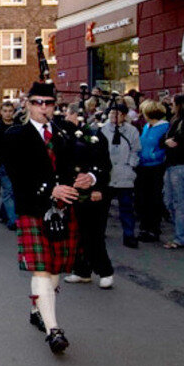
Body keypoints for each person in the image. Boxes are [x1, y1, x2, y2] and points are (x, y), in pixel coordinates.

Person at [4, 81, 93, 354]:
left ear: (55, 105)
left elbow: (95, 158)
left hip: (64, 209)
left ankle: (37, 307)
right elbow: (17, 175)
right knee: (42, 267)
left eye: (49, 103)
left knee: (54, 270)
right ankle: (53, 329)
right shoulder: (16, 135)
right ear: (27, 104)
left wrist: (90, 177)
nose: (43, 108)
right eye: (37, 102)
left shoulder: (67, 132)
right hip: (33, 208)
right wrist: (49, 189)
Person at [60, 103, 113, 288]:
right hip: (75, 192)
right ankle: (82, 271)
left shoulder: (96, 136)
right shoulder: (66, 137)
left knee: (94, 234)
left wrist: (96, 184)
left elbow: (105, 165)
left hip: (95, 193)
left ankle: (105, 271)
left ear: (76, 115)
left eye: (68, 114)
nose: (66, 119)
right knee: (78, 233)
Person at [99, 104, 141, 248]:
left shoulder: (132, 131)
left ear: (123, 116)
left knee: (126, 207)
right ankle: (99, 232)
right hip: (107, 174)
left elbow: (136, 150)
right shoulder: (103, 129)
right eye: (111, 113)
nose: (113, 116)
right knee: (103, 207)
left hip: (124, 173)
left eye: (116, 114)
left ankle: (129, 235)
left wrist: (131, 165)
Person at [161, 94, 184, 249]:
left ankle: (182, 237)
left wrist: (170, 142)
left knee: (178, 201)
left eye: (173, 103)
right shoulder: (174, 120)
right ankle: (180, 234)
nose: (171, 106)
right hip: (171, 163)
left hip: (181, 163)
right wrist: (167, 142)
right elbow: (165, 139)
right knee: (169, 200)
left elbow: (180, 140)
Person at [134, 100, 169, 243]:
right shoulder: (147, 126)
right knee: (142, 198)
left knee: (154, 198)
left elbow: (164, 147)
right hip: (143, 166)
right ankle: (144, 227)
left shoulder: (165, 127)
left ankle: (153, 229)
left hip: (156, 166)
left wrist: (155, 155)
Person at [0, 101, 18, 230]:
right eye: (5, 111)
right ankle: (13, 221)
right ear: (1, 112)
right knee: (8, 191)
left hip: (16, 164)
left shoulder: (18, 127)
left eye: (10, 111)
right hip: (2, 164)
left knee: (12, 191)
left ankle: (3, 214)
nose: (7, 114)